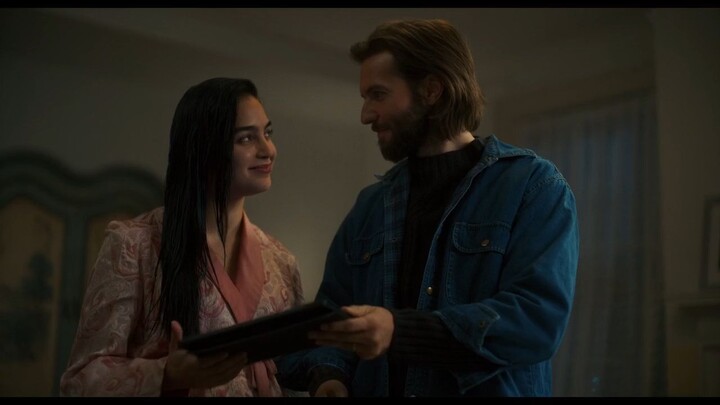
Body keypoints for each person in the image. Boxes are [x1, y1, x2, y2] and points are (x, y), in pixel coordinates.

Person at [275, 19, 579, 397]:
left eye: (378, 95)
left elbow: (537, 321)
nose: (366, 115)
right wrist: (330, 375)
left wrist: (398, 331)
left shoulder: (533, 187)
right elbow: (334, 315)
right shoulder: (370, 206)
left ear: (432, 91)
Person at [60, 78, 304, 397]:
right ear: (204, 147)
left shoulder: (281, 260)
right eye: (246, 138)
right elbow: (80, 381)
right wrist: (168, 374)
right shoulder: (135, 245)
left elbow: (294, 369)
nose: (268, 150)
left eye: (267, 134)